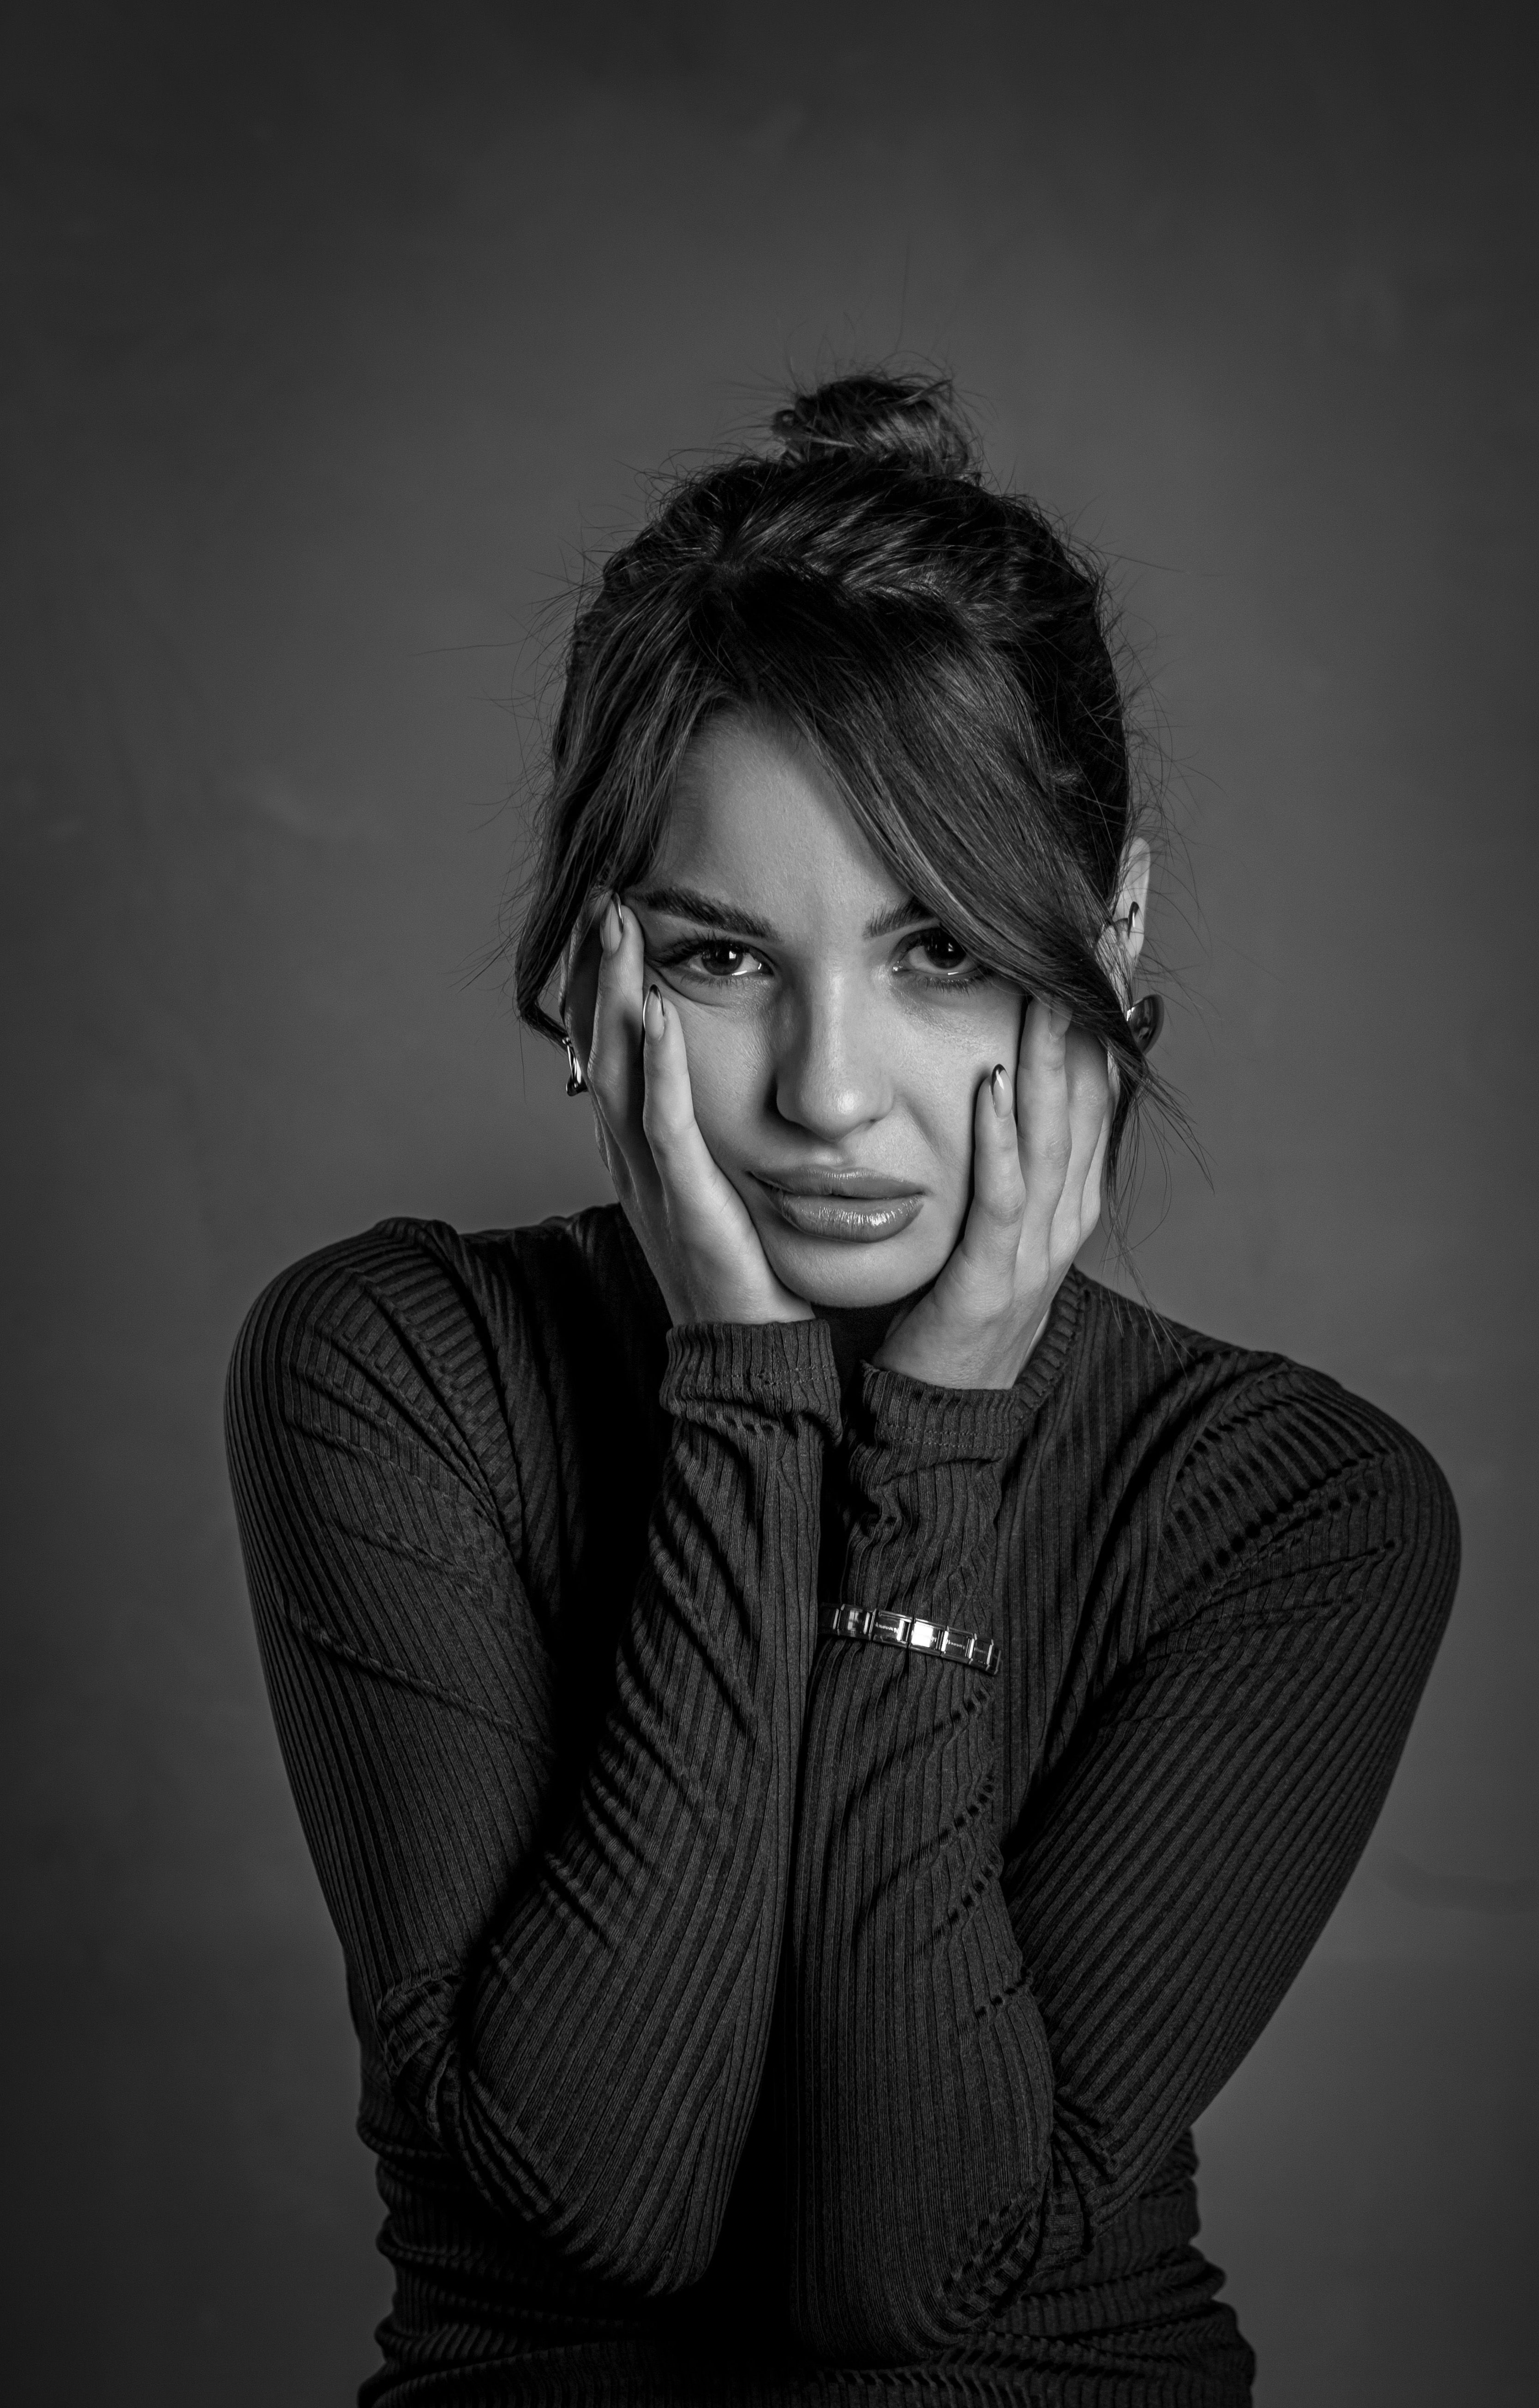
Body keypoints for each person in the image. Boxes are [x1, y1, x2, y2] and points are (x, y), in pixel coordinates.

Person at [225, 372, 1459, 2407]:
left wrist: (939, 1433)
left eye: (938, 950)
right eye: (721, 958)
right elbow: (599, 2198)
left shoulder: (1293, 1507)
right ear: (597, 965)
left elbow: (899, 2272)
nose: (825, 1092)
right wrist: (742, 1393)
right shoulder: (395, 1371)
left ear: (1110, 931)